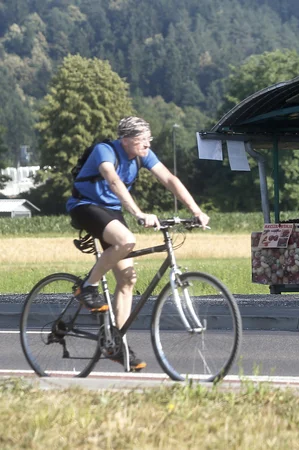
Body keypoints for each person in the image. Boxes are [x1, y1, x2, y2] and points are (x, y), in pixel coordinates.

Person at [67, 116, 210, 371]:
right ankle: (86, 287)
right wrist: (139, 214)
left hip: (110, 212)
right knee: (127, 240)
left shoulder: (143, 156)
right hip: (86, 207)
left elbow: (169, 180)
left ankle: (115, 343)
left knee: (127, 279)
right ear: (126, 140)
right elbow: (113, 181)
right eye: (142, 140)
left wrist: (196, 210)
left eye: (149, 139)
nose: (147, 144)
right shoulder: (105, 150)